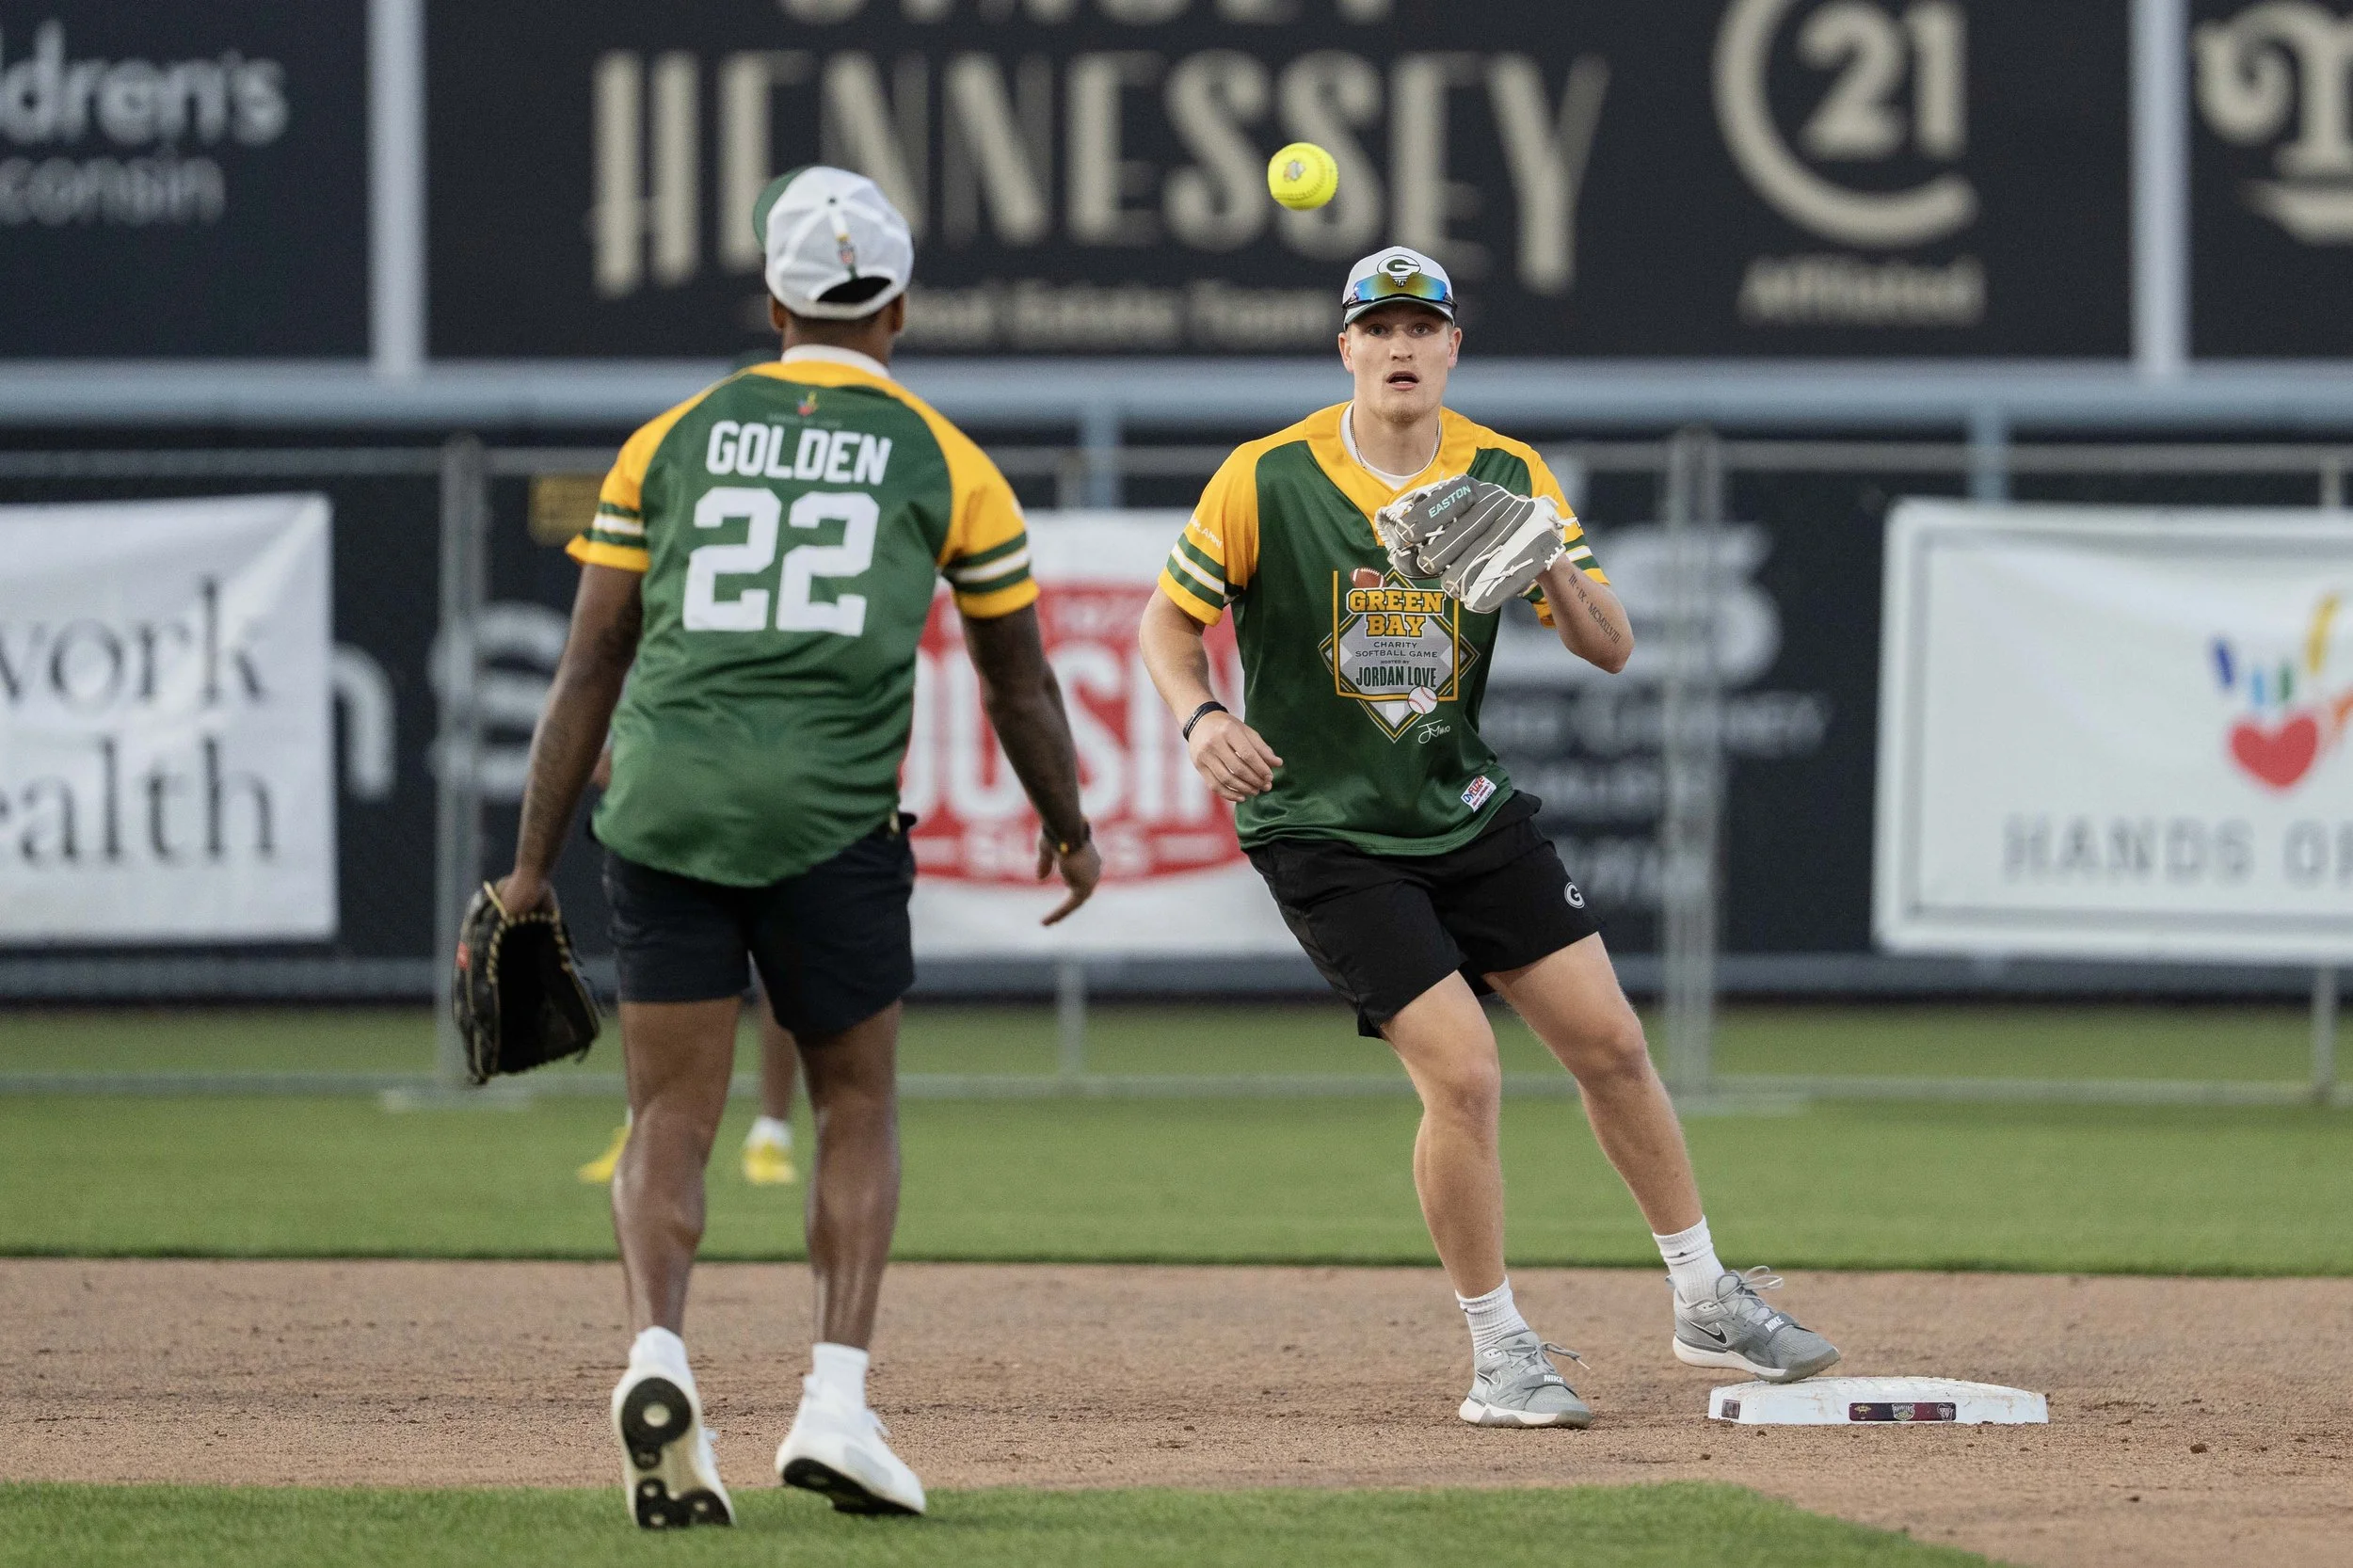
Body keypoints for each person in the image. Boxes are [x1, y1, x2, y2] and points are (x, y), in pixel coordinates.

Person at [1137, 244, 1838, 1431]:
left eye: (1423, 325)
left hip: (1459, 805)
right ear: (1345, 347)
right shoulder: (1266, 479)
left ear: (1454, 346)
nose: (1401, 345)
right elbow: (1168, 619)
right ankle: (1499, 1351)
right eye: (1379, 326)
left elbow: (1609, 645)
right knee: (1463, 1069)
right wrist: (1200, 714)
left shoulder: (1506, 473)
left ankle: (1701, 1295)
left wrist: (1546, 562)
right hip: (1323, 825)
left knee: (1611, 1043)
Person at [498, 165, 1099, 1526]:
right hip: (832, 819)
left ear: (773, 303)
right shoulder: (947, 458)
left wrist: (530, 864)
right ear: (899, 311)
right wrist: (1070, 832)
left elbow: (591, 659)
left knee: (666, 1117)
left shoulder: (670, 438)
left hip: (665, 807)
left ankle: (658, 1355)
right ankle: (834, 1398)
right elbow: (1017, 680)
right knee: (858, 1103)